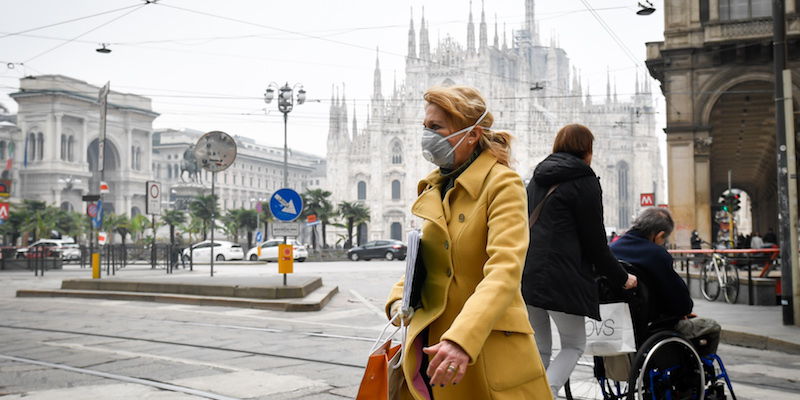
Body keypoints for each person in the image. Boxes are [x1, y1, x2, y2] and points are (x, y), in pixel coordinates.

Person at [385, 85, 551, 400]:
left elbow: (504, 270)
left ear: (471, 135)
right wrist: (398, 299)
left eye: (436, 128)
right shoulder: (438, 186)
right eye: (425, 127)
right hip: (433, 344)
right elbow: (429, 263)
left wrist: (462, 339)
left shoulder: (503, 184)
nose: (427, 136)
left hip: (484, 345)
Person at [522, 123, 637, 397]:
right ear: (587, 149)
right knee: (573, 345)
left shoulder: (537, 179)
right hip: (562, 277)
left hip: (527, 274)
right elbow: (596, 244)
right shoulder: (585, 182)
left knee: (540, 348)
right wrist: (623, 278)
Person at [610, 208, 721, 353]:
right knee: (712, 326)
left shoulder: (611, 251)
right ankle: (698, 370)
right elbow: (682, 305)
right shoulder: (657, 254)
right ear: (659, 235)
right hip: (652, 328)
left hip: (615, 325)